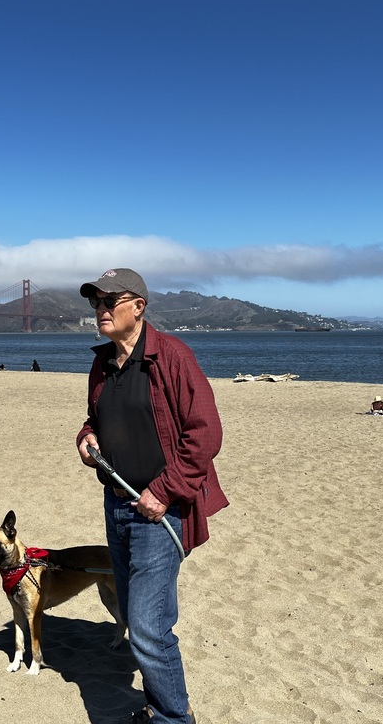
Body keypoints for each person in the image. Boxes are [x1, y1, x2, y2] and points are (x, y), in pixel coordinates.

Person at [75, 268, 227, 724]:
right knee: (145, 618)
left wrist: (163, 492)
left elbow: (206, 434)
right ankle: (163, 705)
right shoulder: (102, 363)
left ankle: (173, 718)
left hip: (161, 513)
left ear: (137, 307)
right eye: (95, 303)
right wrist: (86, 439)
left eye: (109, 301)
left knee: (146, 629)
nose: (100, 310)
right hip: (117, 505)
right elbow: (94, 419)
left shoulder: (173, 357)